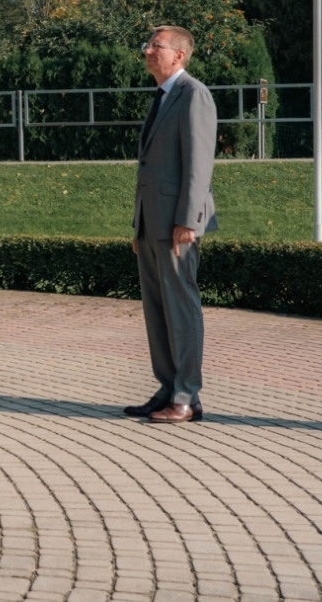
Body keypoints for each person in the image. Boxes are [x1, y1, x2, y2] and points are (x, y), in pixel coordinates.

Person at [125, 26, 217, 424]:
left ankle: (187, 395)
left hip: (177, 225)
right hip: (152, 224)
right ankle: (167, 387)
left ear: (178, 55)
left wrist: (187, 221)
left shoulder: (193, 94)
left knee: (181, 309)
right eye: (147, 45)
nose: (146, 50)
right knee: (157, 310)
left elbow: (199, 164)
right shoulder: (162, 97)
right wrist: (139, 225)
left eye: (154, 46)